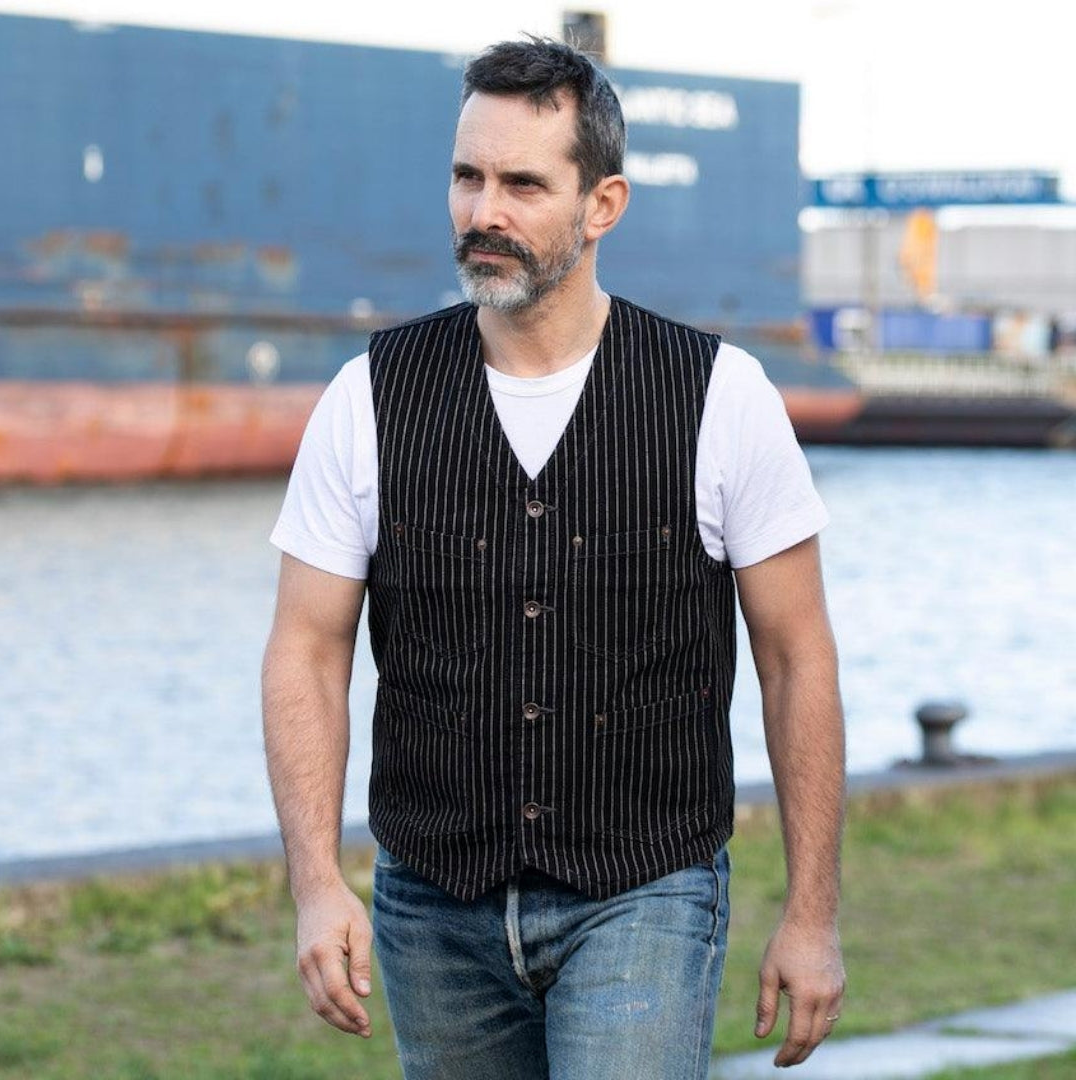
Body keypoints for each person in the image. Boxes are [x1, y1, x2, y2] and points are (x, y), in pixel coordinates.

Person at [263, 37, 845, 1080]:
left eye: (523, 185)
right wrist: (314, 880)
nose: (483, 212)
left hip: (644, 891)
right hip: (431, 904)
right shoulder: (369, 398)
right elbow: (306, 650)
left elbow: (796, 658)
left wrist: (812, 913)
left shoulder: (721, 397)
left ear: (603, 203)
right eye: (467, 177)